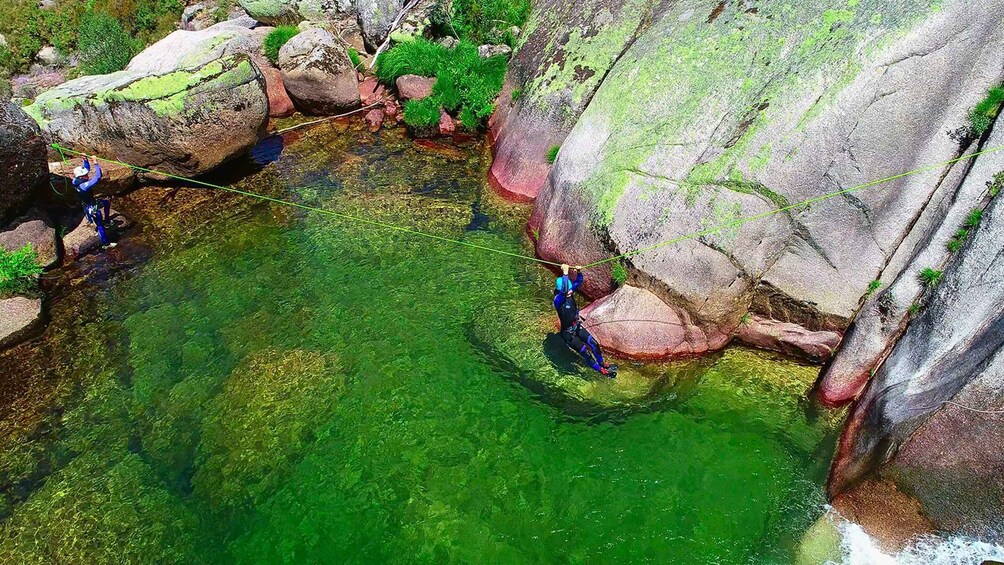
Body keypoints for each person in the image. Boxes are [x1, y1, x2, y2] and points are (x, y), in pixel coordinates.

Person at [553, 264, 616, 377]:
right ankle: (601, 371)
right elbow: (564, 291)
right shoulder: (558, 300)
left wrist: (579, 272)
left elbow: (579, 281)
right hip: (568, 334)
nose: (571, 292)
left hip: (576, 326)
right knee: (586, 353)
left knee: (594, 344)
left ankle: (602, 363)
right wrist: (565, 273)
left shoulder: (569, 292)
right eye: (568, 291)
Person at [72, 156, 116, 249]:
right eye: (85, 175)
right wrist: (95, 162)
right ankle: (106, 244)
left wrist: (85, 160)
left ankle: (107, 221)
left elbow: (87, 169)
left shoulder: (76, 180)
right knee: (99, 224)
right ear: (81, 177)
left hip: (91, 202)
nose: (87, 176)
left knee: (106, 203)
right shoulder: (84, 186)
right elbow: (97, 177)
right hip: (91, 206)